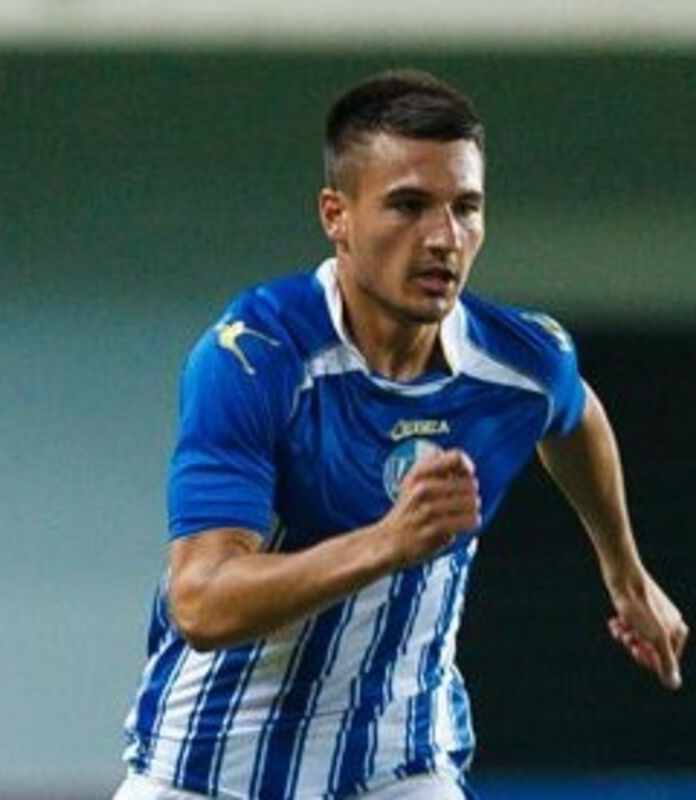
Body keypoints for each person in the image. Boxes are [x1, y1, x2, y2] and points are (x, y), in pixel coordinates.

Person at [115, 70, 687, 800]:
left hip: (400, 768)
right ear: (337, 215)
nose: (444, 238)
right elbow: (201, 602)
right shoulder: (256, 358)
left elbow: (577, 418)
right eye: (409, 206)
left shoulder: (520, 362)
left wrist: (626, 575)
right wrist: (389, 541)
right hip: (209, 768)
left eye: (466, 207)